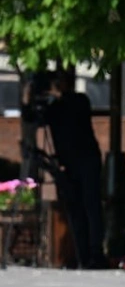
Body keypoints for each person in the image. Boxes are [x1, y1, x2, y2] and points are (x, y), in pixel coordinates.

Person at [21, 70, 106, 268]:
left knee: (91, 205)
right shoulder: (53, 108)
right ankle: (83, 256)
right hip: (67, 164)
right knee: (75, 209)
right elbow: (32, 119)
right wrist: (27, 98)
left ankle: (96, 254)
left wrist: (58, 94)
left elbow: (76, 111)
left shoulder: (79, 100)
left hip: (87, 160)